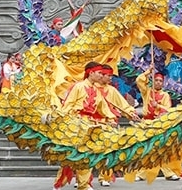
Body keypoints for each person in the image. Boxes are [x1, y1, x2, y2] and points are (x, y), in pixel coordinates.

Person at [54, 61, 140, 190]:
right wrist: (62, 119)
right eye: (99, 73)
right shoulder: (79, 87)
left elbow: (103, 107)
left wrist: (128, 114)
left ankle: (87, 183)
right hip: (79, 124)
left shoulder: (99, 90)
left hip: (94, 126)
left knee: (91, 153)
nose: (101, 76)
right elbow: (68, 105)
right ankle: (65, 181)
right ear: (91, 72)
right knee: (73, 155)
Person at [134, 68, 181, 181]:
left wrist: (158, 107)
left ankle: (168, 173)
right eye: (156, 80)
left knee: (162, 149)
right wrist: (148, 71)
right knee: (146, 149)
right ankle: (141, 174)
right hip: (147, 123)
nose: (158, 82)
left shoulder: (165, 95)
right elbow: (139, 81)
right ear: (153, 81)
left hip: (160, 124)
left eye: (160, 81)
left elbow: (169, 110)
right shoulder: (147, 92)